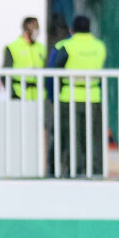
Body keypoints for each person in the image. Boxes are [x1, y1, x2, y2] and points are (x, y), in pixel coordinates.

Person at [49, 15, 107, 176]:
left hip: (69, 97)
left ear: (71, 29)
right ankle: (95, 170)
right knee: (93, 137)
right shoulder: (99, 46)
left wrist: (53, 97)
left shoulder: (67, 46)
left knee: (71, 137)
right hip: (93, 97)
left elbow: (55, 71)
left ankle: (74, 170)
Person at [2, 17, 46, 100]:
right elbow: (4, 75)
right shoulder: (12, 48)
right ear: (26, 29)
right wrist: (13, 95)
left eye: (37, 28)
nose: (36, 32)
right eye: (34, 28)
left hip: (39, 97)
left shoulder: (42, 48)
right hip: (20, 95)